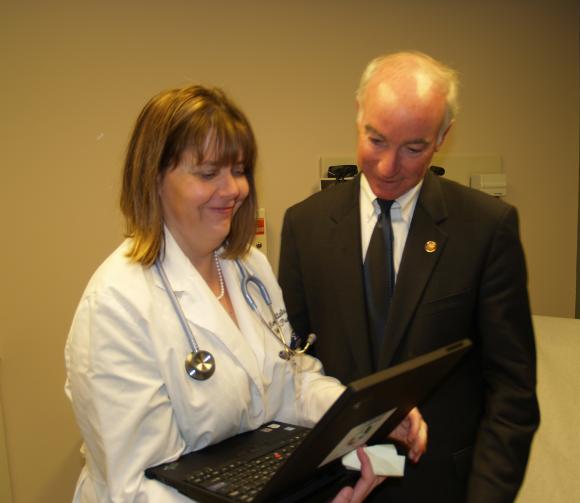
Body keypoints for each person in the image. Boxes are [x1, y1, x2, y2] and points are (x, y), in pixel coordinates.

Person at [64, 85, 427, 502]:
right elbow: (137, 490)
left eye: (238, 170)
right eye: (207, 173)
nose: (234, 189)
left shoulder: (246, 268)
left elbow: (292, 384)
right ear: (154, 179)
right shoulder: (117, 304)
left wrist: (368, 419)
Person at [278, 51, 540, 502]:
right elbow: (291, 370)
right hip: (336, 490)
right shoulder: (305, 226)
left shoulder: (485, 228)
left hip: (441, 488)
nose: (387, 167)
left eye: (413, 148)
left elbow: (512, 392)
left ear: (443, 137)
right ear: (358, 115)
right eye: (375, 140)